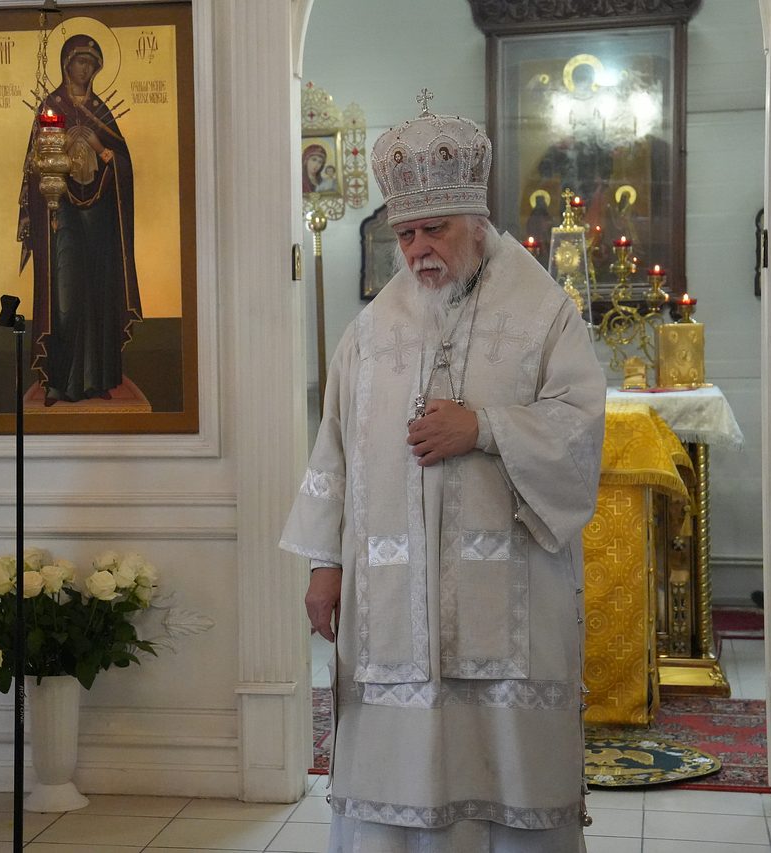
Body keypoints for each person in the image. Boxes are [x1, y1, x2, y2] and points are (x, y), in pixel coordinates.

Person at [281, 105, 606, 852]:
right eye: (405, 235)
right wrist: (324, 567)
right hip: (392, 612)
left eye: (435, 230)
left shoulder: (542, 314)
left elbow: (581, 423)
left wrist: (483, 428)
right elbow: (333, 451)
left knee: (507, 779)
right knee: (399, 783)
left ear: (476, 223)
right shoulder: (370, 332)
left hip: (511, 605)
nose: (419, 249)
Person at [17, 34, 142, 405]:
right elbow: (33, 167)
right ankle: (58, 382)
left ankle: (96, 380)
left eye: (91, 63)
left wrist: (100, 146)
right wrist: (65, 145)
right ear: (65, 64)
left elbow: (123, 166)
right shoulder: (51, 107)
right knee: (65, 296)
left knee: (98, 293)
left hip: (100, 218)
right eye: (79, 62)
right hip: (62, 216)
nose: (85, 69)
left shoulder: (101, 112)